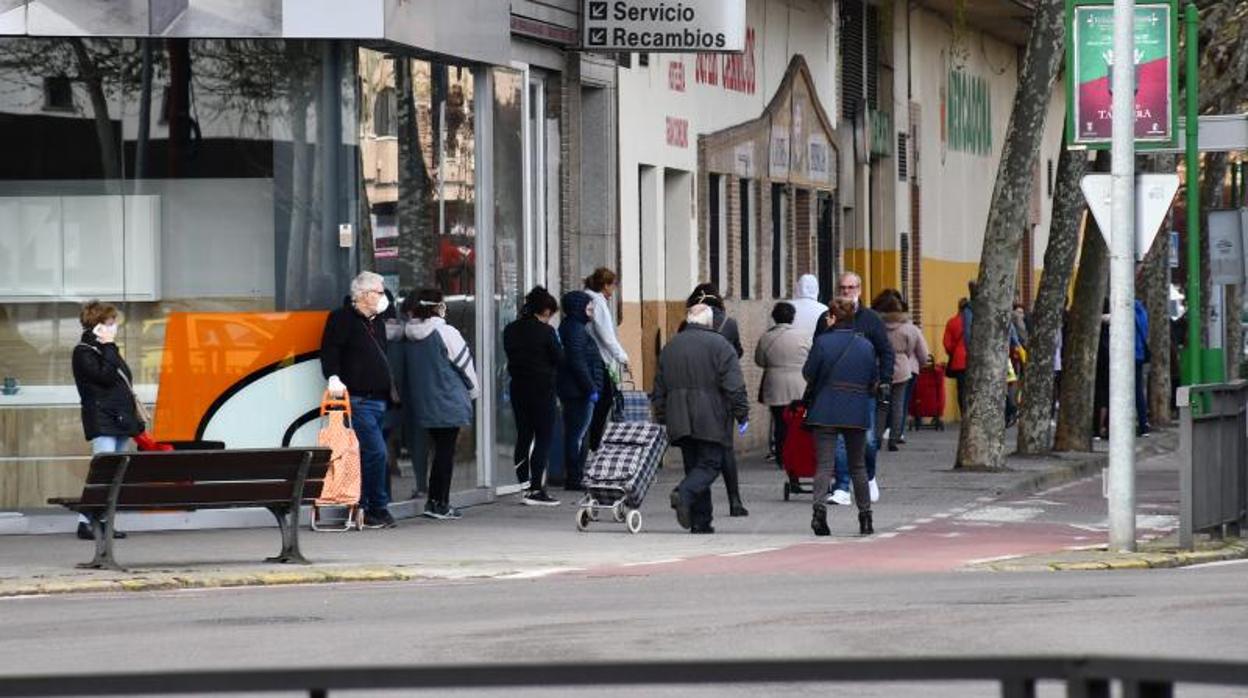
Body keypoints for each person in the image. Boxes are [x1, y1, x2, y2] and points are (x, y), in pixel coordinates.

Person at [653, 304, 750, 534]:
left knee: (694, 466)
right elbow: (734, 386)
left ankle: (701, 520)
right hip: (710, 415)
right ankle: (684, 493)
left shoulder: (670, 347)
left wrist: (662, 416)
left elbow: (659, 387)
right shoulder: (721, 346)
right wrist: (742, 414)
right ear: (710, 322)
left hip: (679, 416)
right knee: (710, 464)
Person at [321, 271, 398, 529]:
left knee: (370, 455)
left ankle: (363, 505)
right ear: (364, 295)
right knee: (376, 452)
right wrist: (332, 377)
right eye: (379, 292)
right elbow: (330, 351)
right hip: (357, 399)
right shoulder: (341, 319)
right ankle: (377, 507)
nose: (383, 297)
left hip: (379, 399)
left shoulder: (377, 322)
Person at [815, 272, 894, 506]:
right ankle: (841, 487)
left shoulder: (870, 319)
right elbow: (818, 350)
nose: (847, 291)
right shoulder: (825, 318)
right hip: (834, 390)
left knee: (868, 441)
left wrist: (885, 380)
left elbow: (885, 350)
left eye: (851, 287)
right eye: (843, 287)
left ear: (859, 289)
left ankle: (868, 477)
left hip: (863, 390)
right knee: (838, 442)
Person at [803, 298, 879, 536]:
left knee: (824, 465)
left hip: (825, 409)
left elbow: (808, 373)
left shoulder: (823, 342)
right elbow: (873, 379)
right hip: (855, 410)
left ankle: (819, 513)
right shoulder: (865, 345)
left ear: (833, 318)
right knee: (858, 466)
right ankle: (865, 517)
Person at [402, 289, 479, 520]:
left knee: (434, 451)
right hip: (448, 399)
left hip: (423, 401)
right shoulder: (446, 332)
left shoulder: (409, 334)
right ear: (437, 306)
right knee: (445, 453)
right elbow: (465, 364)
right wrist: (474, 391)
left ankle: (431, 499)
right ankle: (440, 503)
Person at [71, 300, 141, 541]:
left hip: (119, 419)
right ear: (98, 325)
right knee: (102, 471)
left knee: (114, 474)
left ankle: (102, 521)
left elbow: (121, 382)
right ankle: (86, 523)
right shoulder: (84, 352)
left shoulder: (105, 349)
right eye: (110, 322)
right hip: (103, 420)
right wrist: (109, 346)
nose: (114, 327)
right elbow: (106, 377)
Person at [684, 283, 747, 516]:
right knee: (725, 448)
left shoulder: (686, 325)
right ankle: (735, 501)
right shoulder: (728, 324)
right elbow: (738, 351)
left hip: (691, 394)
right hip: (721, 394)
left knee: (693, 449)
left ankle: (693, 498)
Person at [503, 287, 564, 505]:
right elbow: (559, 358)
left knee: (524, 436)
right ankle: (537, 489)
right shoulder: (546, 332)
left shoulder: (510, 330)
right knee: (543, 438)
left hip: (518, 388)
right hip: (542, 389)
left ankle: (523, 486)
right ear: (546, 310)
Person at [754, 302, 809, 485]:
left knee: (779, 422)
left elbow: (759, 361)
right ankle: (798, 455)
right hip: (798, 384)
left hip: (774, 384)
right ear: (792, 317)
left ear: (774, 317)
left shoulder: (766, 338)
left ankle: (780, 456)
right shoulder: (803, 336)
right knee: (798, 423)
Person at [557, 290, 605, 492]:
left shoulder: (573, 328)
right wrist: (590, 388)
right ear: (578, 309)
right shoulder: (575, 330)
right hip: (579, 391)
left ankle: (576, 475)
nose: (592, 311)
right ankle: (575, 477)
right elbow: (577, 361)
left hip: (577, 390)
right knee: (577, 434)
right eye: (589, 307)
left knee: (577, 434)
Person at [877, 293, 929, 451]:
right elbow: (922, 353)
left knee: (881, 405)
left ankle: (877, 438)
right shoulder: (909, 328)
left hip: (881, 366)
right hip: (903, 366)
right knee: (899, 405)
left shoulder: (878, 326)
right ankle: (895, 437)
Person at [584, 268, 629, 452]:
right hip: (601, 360)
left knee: (602, 404)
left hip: (599, 359)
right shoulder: (597, 302)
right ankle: (594, 446)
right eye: (612, 286)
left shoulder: (593, 300)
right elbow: (606, 335)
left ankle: (593, 444)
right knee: (603, 404)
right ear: (605, 285)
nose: (613, 291)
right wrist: (623, 356)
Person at [943, 298, 970, 416]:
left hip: (959, 361)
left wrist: (953, 352)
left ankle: (964, 413)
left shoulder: (952, 322)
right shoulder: (976, 321)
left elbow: (947, 343)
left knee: (962, 389)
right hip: (975, 360)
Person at [1134, 297, 1152, 436]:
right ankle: (1143, 422)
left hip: (1128, 355)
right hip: (1139, 355)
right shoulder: (1143, 313)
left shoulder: (1127, 311)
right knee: (1138, 390)